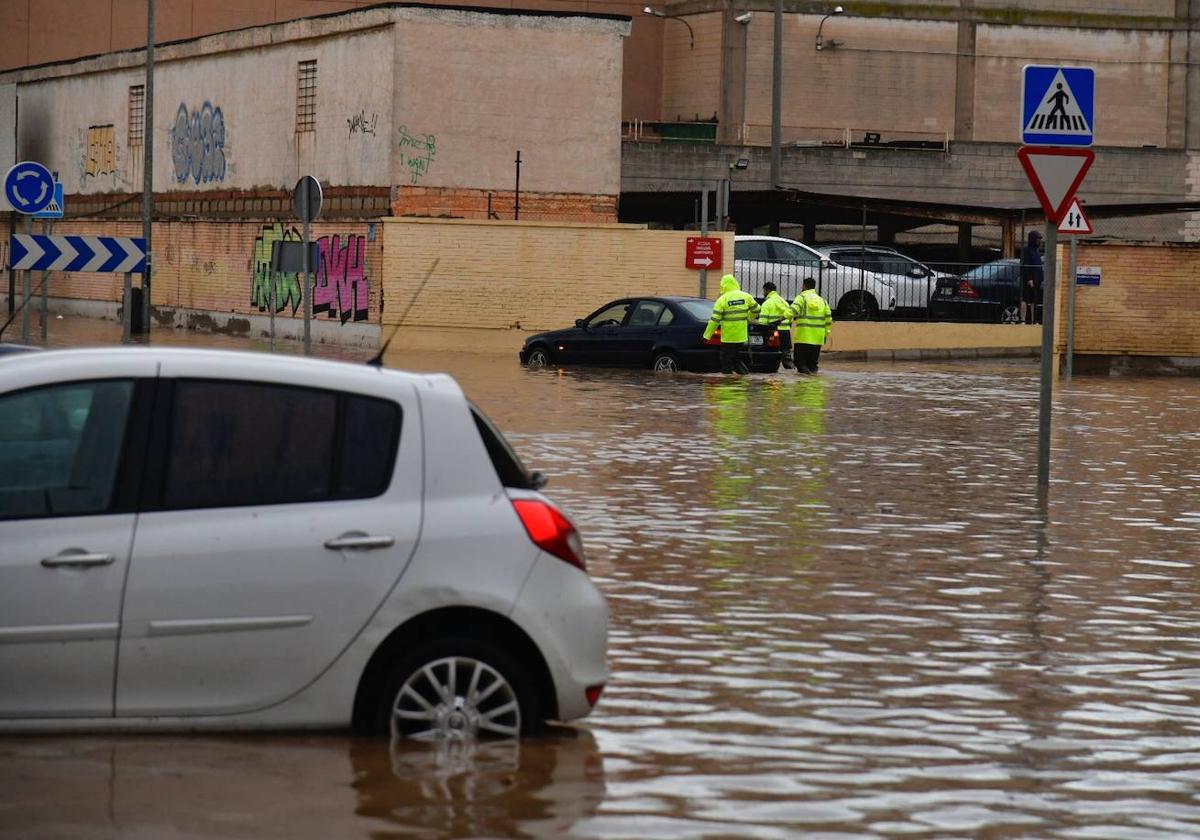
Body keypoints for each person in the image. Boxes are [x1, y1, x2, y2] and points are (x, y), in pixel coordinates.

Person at [702, 273, 761, 374]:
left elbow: (714, 320)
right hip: (741, 336)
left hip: (728, 337)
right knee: (736, 358)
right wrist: (748, 317)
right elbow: (757, 309)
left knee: (726, 361)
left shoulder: (722, 300)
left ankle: (727, 385)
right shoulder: (746, 296)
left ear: (723, 286)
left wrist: (706, 336)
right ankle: (743, 379)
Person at [791, 277, 832, 374]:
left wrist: (782, 317)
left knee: (800, 363)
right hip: (818, 338)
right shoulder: (822, 300)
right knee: (812, 364)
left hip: (803, 337)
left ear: (804, 286)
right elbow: (828, 318)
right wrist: (825, 333)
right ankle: (814, 383)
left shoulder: (802, 297)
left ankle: (804, 384)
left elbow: (792, 310)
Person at [757, 281, 794, 370]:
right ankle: (791, 372)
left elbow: (763, 322)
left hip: (773, 332)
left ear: (767, 290)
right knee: (787, 357)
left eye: (764, 291)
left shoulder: (767, 303)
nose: (763, 293)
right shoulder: (784, 302)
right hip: (785, 332)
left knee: (771, 356)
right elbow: (790, 317)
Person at [1020, 229, 1044, 325]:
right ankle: (1022, 320)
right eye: (1037, 239)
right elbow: (1025, 265)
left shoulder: (1036, 251)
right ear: (1033, 239)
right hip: (1029, 280)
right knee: (1025, 299)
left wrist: (1040, 278)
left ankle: (1034, 320)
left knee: (1034, 301)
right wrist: (1029, 279)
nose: (1039, 241)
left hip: (1037, 280)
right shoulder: (1026, 250)